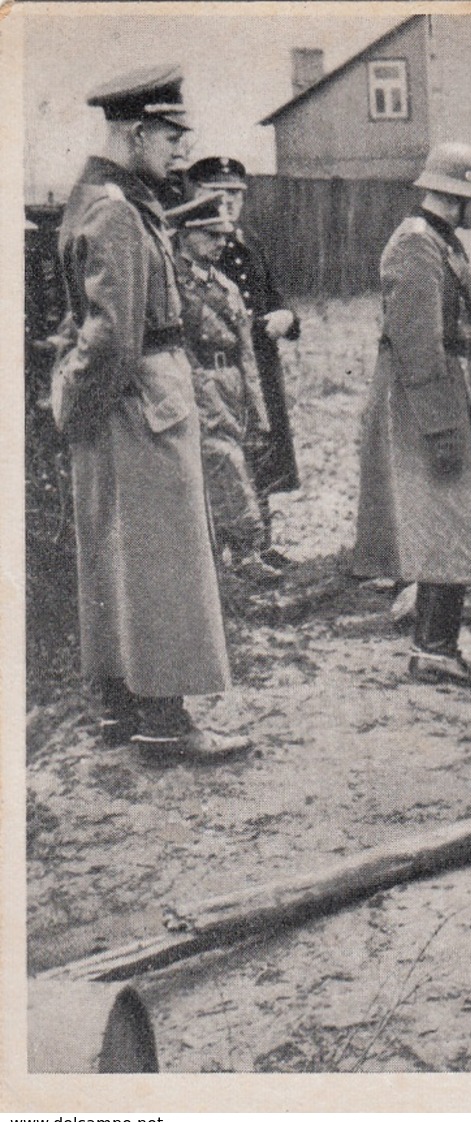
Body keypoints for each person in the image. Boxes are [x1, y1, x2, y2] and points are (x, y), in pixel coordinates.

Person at [51, 64, 250, 760]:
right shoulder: (114, 208)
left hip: (124, 404)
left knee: (116, 561)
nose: (179, 152)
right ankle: (163, 725)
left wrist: (77, 409)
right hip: (140, 404)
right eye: (170, 137)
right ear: (137, 132)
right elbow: (111, 337)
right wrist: (78, 406)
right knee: (159, 565)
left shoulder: (106, 199)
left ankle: (120, 713)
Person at [350, 142, 471, 689]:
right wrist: (440, 428)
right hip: (423, 400)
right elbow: (419, 346)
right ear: (457, 194)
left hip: (438, 392)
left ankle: (437, 644)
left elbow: (453, 335)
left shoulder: (439, 242)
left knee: (450, 517)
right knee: (446, 519)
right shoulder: (417, 247)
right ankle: (434, 651)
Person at [185, 156, 303, 567]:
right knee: (226, 451)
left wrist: (287, 317)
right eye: (219, 193)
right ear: (196, 194)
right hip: (221, 365)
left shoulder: (248, 241)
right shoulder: (196, 243)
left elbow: (273, 294)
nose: (230, 201)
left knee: (261, 444)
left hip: (259, 363)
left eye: (236, 193)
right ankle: (234, 549)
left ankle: (261, 541)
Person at [168, 192, 277, 581]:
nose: (220, 244)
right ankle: (231, 557)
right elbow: (179, 346)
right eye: (211, 236)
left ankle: (243, 555)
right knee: (218, 464)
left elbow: (247, 353)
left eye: (224, 236)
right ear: (184, 235)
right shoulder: (172, 285)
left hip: (233, 383)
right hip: (198, 384)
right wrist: (202, 394)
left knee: (239, 464)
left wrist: (258, 409)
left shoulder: (227, 286)